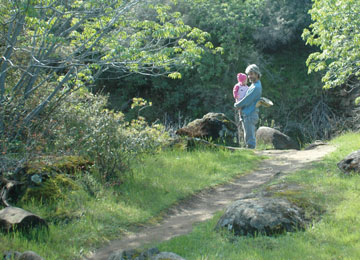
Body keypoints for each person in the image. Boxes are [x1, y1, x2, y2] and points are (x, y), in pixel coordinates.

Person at [234, 64, 262, 149]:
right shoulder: (255, 85)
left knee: (250, 139)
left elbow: (247, 100)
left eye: (251, 74)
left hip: (250, 114)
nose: (249, 76)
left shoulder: (255, 87)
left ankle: (253, 157)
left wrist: (237, 105)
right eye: (248, 74)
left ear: (257, 74)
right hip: (249, 113)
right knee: (248, 136)